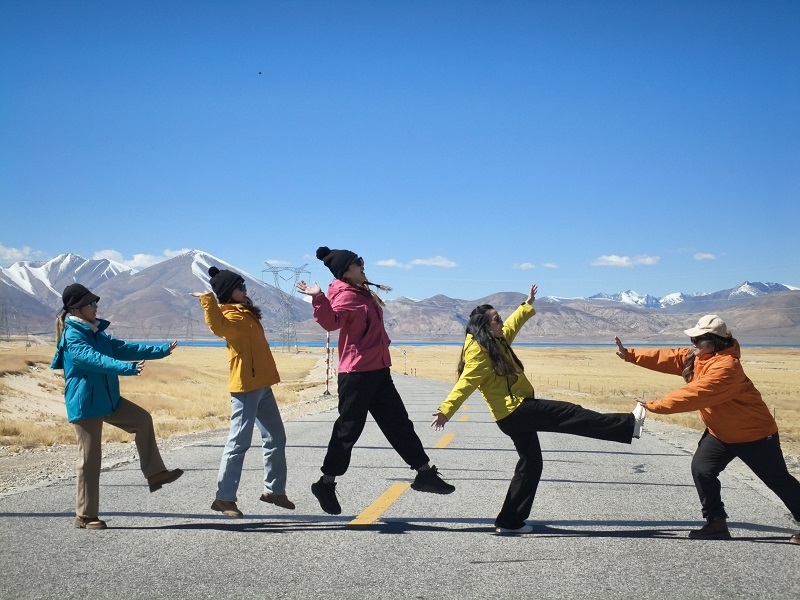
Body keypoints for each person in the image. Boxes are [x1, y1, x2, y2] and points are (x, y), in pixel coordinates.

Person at [431, 284, 646, 534]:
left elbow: (509, 328)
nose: (501, 322)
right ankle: (629, 425)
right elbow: (465, 383)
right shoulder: (480, 351)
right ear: (485, 326)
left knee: (531, 463)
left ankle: (509, 521)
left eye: (499, 318)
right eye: (496, 319)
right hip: (516, 411)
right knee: (570, 413)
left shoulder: (494, 340)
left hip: (511, 414)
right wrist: (446, 411)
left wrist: (526, 305)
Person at [296, 246, 455, 515]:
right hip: (356, 374)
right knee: (348, 431)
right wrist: (318, 298)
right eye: (358, 264)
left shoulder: (362, 293)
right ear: (346, 271)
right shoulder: (344, 295)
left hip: (379, 371)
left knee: (398, 423)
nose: (363, 266)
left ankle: (424, 473)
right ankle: (325, 483)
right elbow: (331, 322)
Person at [615, 314, 800, 544]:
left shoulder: (727, 368)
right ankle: (716, 523)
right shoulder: (699, 356)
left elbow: (696, 394)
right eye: (693, 339)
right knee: (702, 470)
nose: (693, 344)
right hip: (720, 433)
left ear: (714, 341)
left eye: (698, 340)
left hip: (754, 434)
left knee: (778, 480)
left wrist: (656, 405)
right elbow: (670, 357)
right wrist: (630, 355)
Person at [50, 283, 183, 530]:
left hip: (109, 400)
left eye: (95, 302)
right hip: (86, 403)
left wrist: (162, 350)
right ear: (77, 309)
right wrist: (127, 368)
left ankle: (155, 473)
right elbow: (92, 359)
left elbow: (123, 348)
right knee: (90, 460)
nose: (95, 306)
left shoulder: (97, 332)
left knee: (142, 420)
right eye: (91, 303)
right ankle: (86, 516)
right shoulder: (73, 335)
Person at [192, 266, 294, 518]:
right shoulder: (228, 317)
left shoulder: (246, 313)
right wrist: (208, 301)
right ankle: (224, 498)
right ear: (229, 292)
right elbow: (216, 325)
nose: (246, 290)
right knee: (238, 443)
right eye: (241, 287)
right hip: (246, 388)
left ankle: (274, 490)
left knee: (276, 438)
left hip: (262, 385)